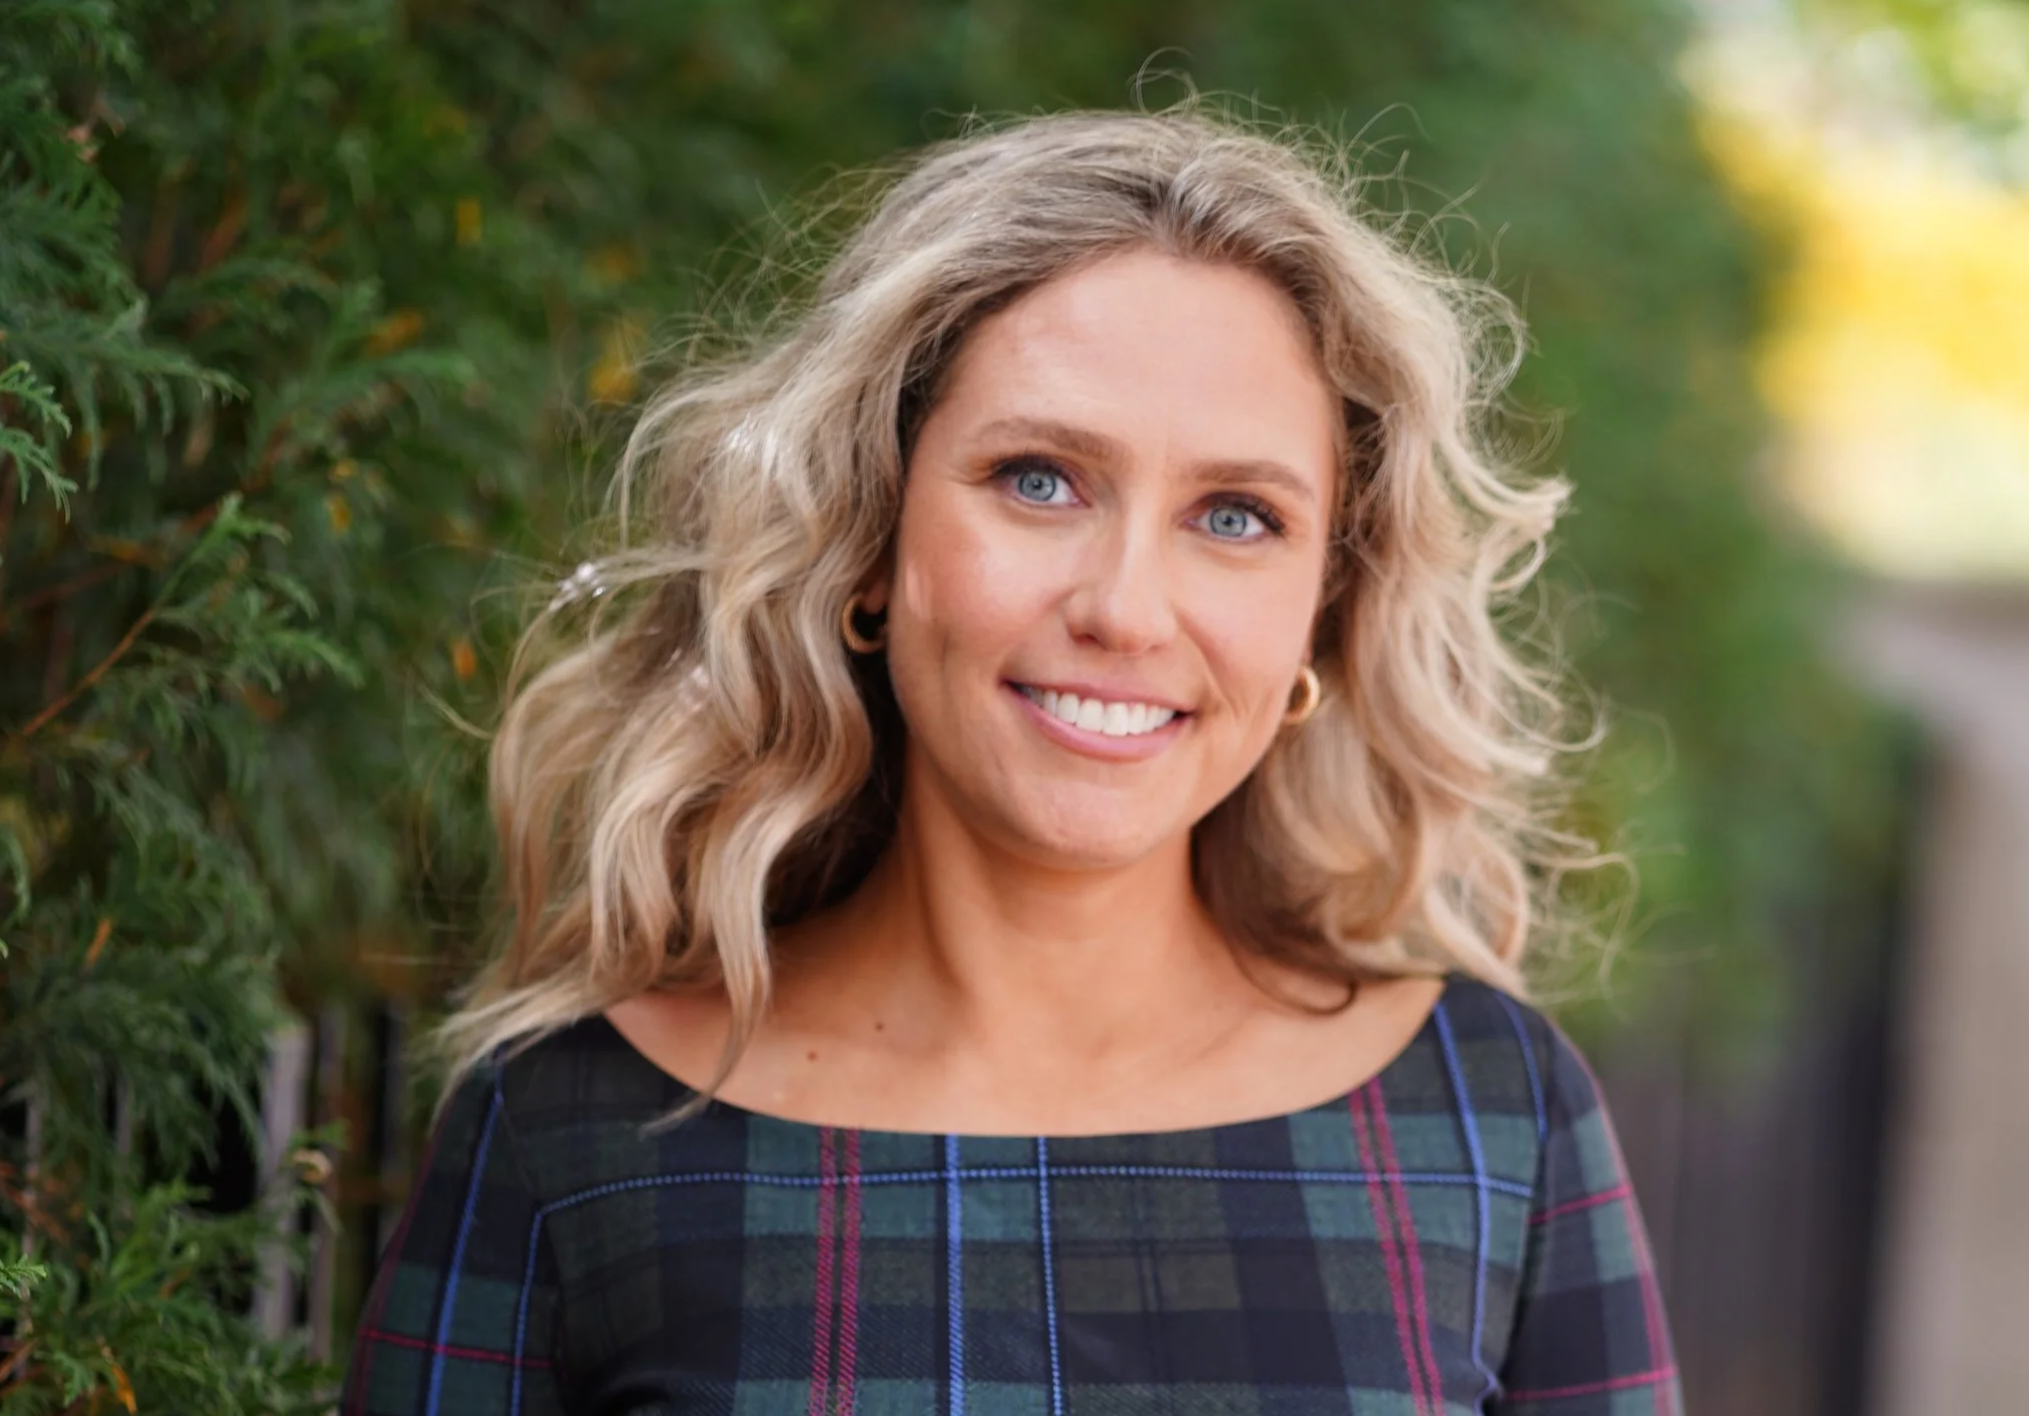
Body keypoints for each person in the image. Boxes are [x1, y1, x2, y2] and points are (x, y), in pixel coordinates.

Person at [341, 108, 1678, 1415]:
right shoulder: (574, 1133)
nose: (1127, 608)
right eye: (1041, 479)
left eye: (1235, 515)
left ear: (1324, 608)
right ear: (869, 535)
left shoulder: (1492, 1119)